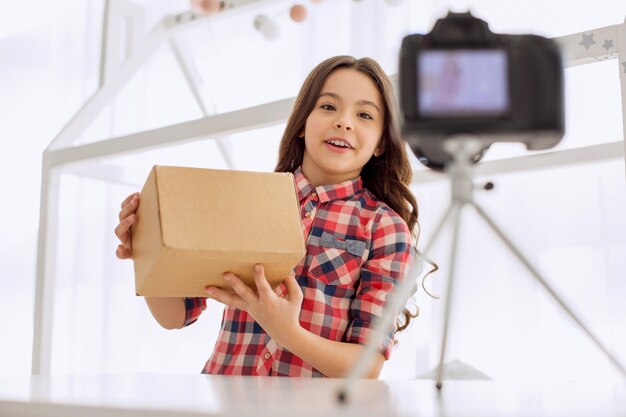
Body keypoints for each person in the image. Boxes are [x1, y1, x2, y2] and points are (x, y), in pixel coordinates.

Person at [115, 55, 422, 378]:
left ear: (381, 143)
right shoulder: (246, 198)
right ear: (302, 122)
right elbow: (175, 316)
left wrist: (286, 331)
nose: (344, 122)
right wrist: (146, 248)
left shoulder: (385, 227)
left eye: (364, 114)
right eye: (328, 107)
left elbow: (367, 366)